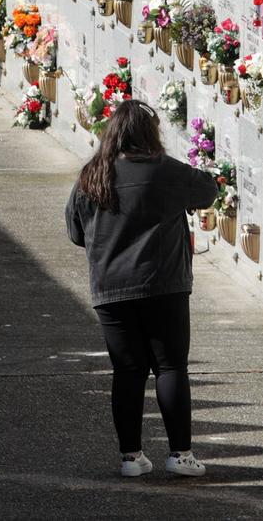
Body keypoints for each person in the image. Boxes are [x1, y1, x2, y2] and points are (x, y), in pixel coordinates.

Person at [65, 99, 218, 479]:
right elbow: (208, 192)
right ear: (150, 134)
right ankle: (180, 455)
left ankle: (131, 458)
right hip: (163, 285)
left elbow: (75, 231)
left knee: (128, 371)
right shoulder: (165, 171)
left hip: (111, 291)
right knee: (170, 367)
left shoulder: (91, 176)